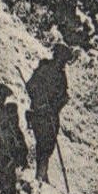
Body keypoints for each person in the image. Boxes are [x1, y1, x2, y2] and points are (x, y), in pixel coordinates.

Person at [25, 45, 71, 181]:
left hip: (52, 115)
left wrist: (61, 101)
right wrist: (41, 100)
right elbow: (30, 86)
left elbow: (63, 95)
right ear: (57, 57)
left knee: (49, 143)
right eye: (63, 60)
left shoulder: (62, 76)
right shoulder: (44, 69)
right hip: (40, 114)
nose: (64, 64)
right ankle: (40, 174)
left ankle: (43, 173)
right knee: (43, 143)